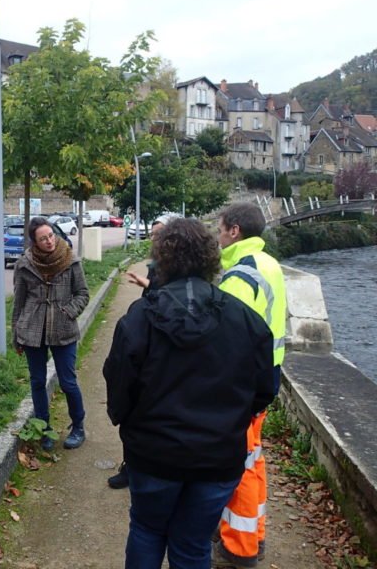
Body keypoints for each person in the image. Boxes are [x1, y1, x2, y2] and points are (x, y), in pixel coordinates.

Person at [103, 218, 275, 569]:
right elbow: (264, 389)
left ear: (163, 258)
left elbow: (119, 384)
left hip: (154, 453)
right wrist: (229, 421)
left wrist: (129, 424)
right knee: (192, 543)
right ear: (211, 257)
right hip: (218, 456)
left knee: (148, 530)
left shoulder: (141, 317)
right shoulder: (244, 318)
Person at [213, 202, 287, 568]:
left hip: (244, 381)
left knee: (238, 461)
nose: (218, 234)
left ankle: (239, 547)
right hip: (267, 375)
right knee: (253, 456)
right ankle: (255, 531)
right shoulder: (269, 264)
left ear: (235, 231)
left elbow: (229, 339)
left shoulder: (241, 275)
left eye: (220, 228)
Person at [12, 217, 89, 450]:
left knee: (68, 382)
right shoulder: (24, 264)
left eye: (51, 236)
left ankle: (78, 427)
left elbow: (83, 293)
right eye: (43, 238)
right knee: (37, 382)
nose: (49, 241)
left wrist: (68, 312)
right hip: (32, 330)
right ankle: (44, 429)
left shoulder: (71, 260)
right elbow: (19, 301)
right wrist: (15, 334)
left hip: (63, 329)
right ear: (34, 242)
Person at [109, 215, 171, 489]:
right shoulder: (157, 266)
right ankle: (132, 466)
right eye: (153, 234)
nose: (153, 238)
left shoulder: (174, 267)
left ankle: (144, 468)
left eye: (159, 234)